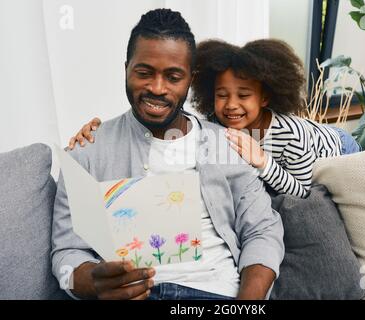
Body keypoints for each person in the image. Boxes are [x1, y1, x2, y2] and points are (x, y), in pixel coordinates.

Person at [53, 8, 284, 300]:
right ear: (126, 68)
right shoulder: (87, 152)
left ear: (190, 79)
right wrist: (94, 283)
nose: (157, 88)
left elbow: (263, 230)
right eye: (144, 73)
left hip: (214, 294)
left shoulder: (228, 145)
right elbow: (66, 251)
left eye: (173, 77)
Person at [72, 39, 361, 198]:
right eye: (222, 94)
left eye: (243, 95)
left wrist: (263, 161)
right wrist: (98, 130)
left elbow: (304, 193)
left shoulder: (291, 137)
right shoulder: (218, 125)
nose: (231, 105)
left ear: (264, 97)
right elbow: (174, 118)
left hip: (336, 149)